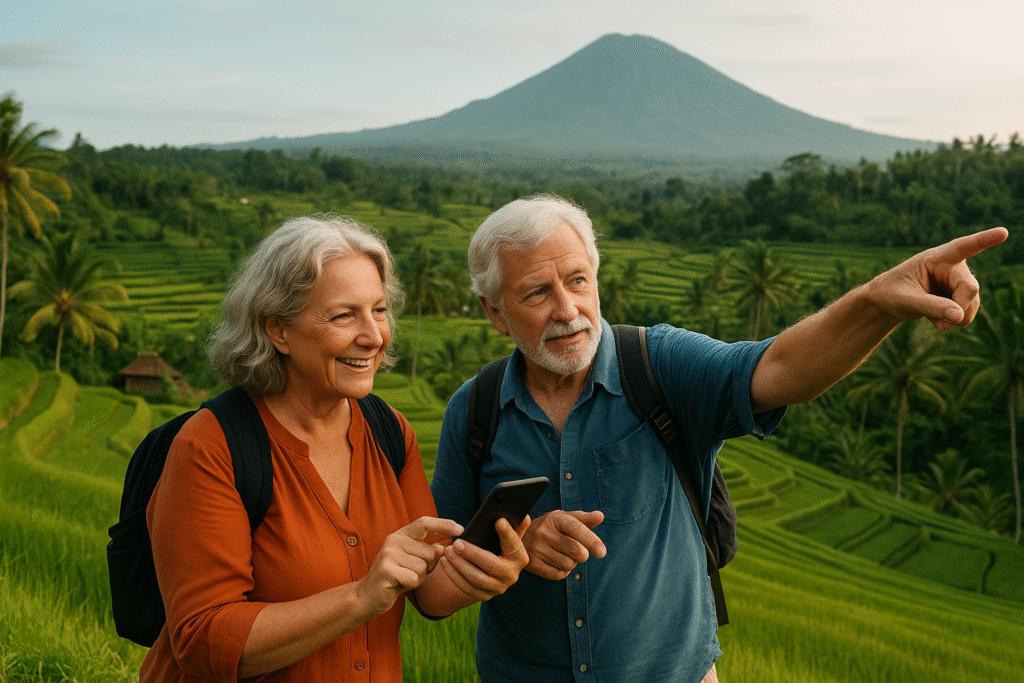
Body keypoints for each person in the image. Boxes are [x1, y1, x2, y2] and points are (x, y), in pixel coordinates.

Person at [429, 194, 1008, 683]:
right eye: (536, 293)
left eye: (578, 280)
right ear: (496, 312)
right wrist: (520, 548)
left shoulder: (660, 366)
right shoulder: (474, 412)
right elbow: (436, 580)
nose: (568, 309)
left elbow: (777, 371)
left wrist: (876, 301)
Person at [141, 214, 529, 682]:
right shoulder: (211, 447)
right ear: (277, 330)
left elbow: (428, 590)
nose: (373, 336)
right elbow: (202, 641)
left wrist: (489, 566)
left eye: (379, 310)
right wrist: (360, 597)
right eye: (344, 315)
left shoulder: (389, 431)